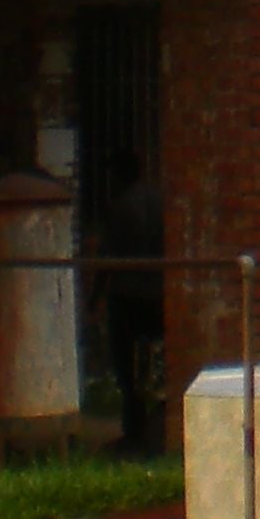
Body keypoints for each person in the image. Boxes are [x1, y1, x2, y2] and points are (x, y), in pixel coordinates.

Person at [101, 156, 167, 453]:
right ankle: (158, 421)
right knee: (158, 361)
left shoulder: (120, 207)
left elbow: (106, 258)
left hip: (127, 296)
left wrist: (92, 300)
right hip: (158, 294)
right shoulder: (159, 201)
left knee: (126, 367)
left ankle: (135, 429)